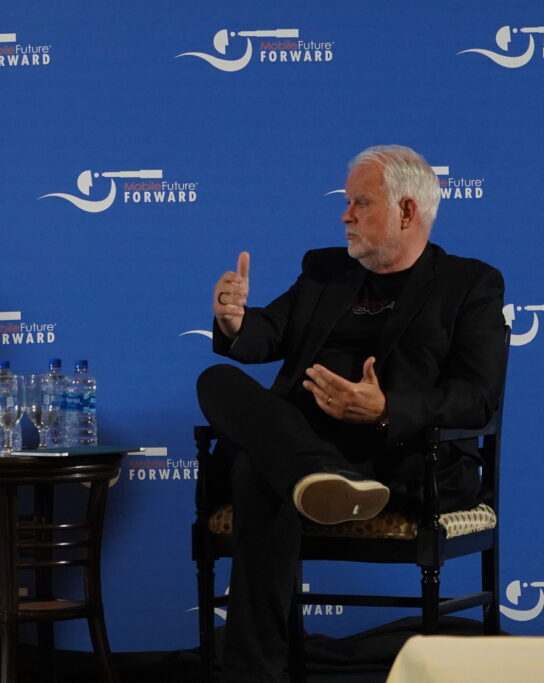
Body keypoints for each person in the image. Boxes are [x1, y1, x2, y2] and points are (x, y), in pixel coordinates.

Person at [195, 145, 507, 682]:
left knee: (257, 471)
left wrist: (385, 409)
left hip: (400, 458)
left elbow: (477, 397)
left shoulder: (469, 284)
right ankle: (317, 473)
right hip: (307, 445)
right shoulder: (326, 271)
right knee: (215, 380)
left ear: (406, 211)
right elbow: (270, 330)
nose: (345, 215)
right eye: (347, 203)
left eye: (361, 203)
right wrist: (233, 322)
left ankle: (253, 675)